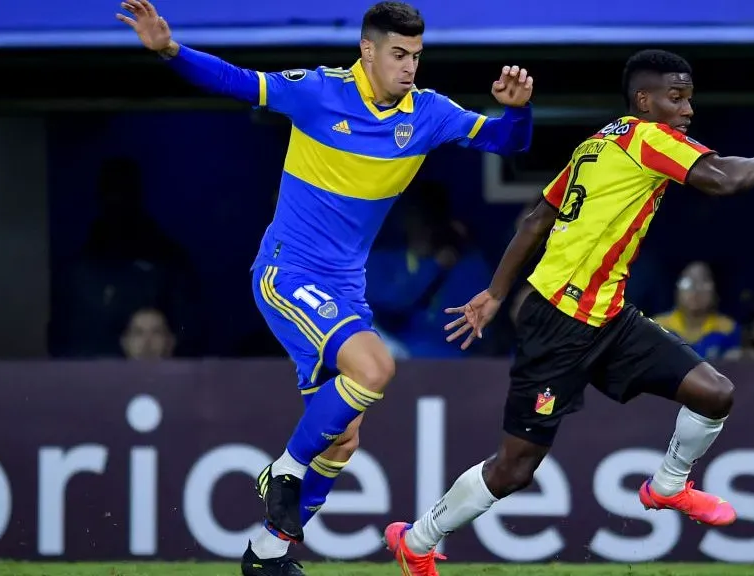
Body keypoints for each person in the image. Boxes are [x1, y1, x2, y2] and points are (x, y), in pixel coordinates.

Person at [117, 2, 534, 575]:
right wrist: (169, 50)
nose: (409, 66)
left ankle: (267, 554)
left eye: (416, 55)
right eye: (398, 54)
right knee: (376, 368)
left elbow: (508, 144)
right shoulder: (318, 92)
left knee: (343, 441)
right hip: (288, 272)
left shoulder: (429, 113)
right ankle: (284, 470)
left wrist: (519, 111)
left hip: (344, 287)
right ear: (367, 50)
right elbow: (238, 82)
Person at [383, 49, 754, 575]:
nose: (686, 109)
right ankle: (418, 539)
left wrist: (497, 292)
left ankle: (668, 486)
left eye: (690, 98)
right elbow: (724, 178)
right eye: (675, 98)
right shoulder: (649, 138)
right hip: (556, 324)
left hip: (608, 318)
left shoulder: (599, 142)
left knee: (714, 393)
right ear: (645, 100)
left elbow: (536, 218)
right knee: (515, 469)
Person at [653, 261, 740, 360]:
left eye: (704, 282)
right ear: (676, 290)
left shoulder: (728, 329)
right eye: (688, 282)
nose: (696, 289)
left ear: (715, 291)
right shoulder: (657, 327)